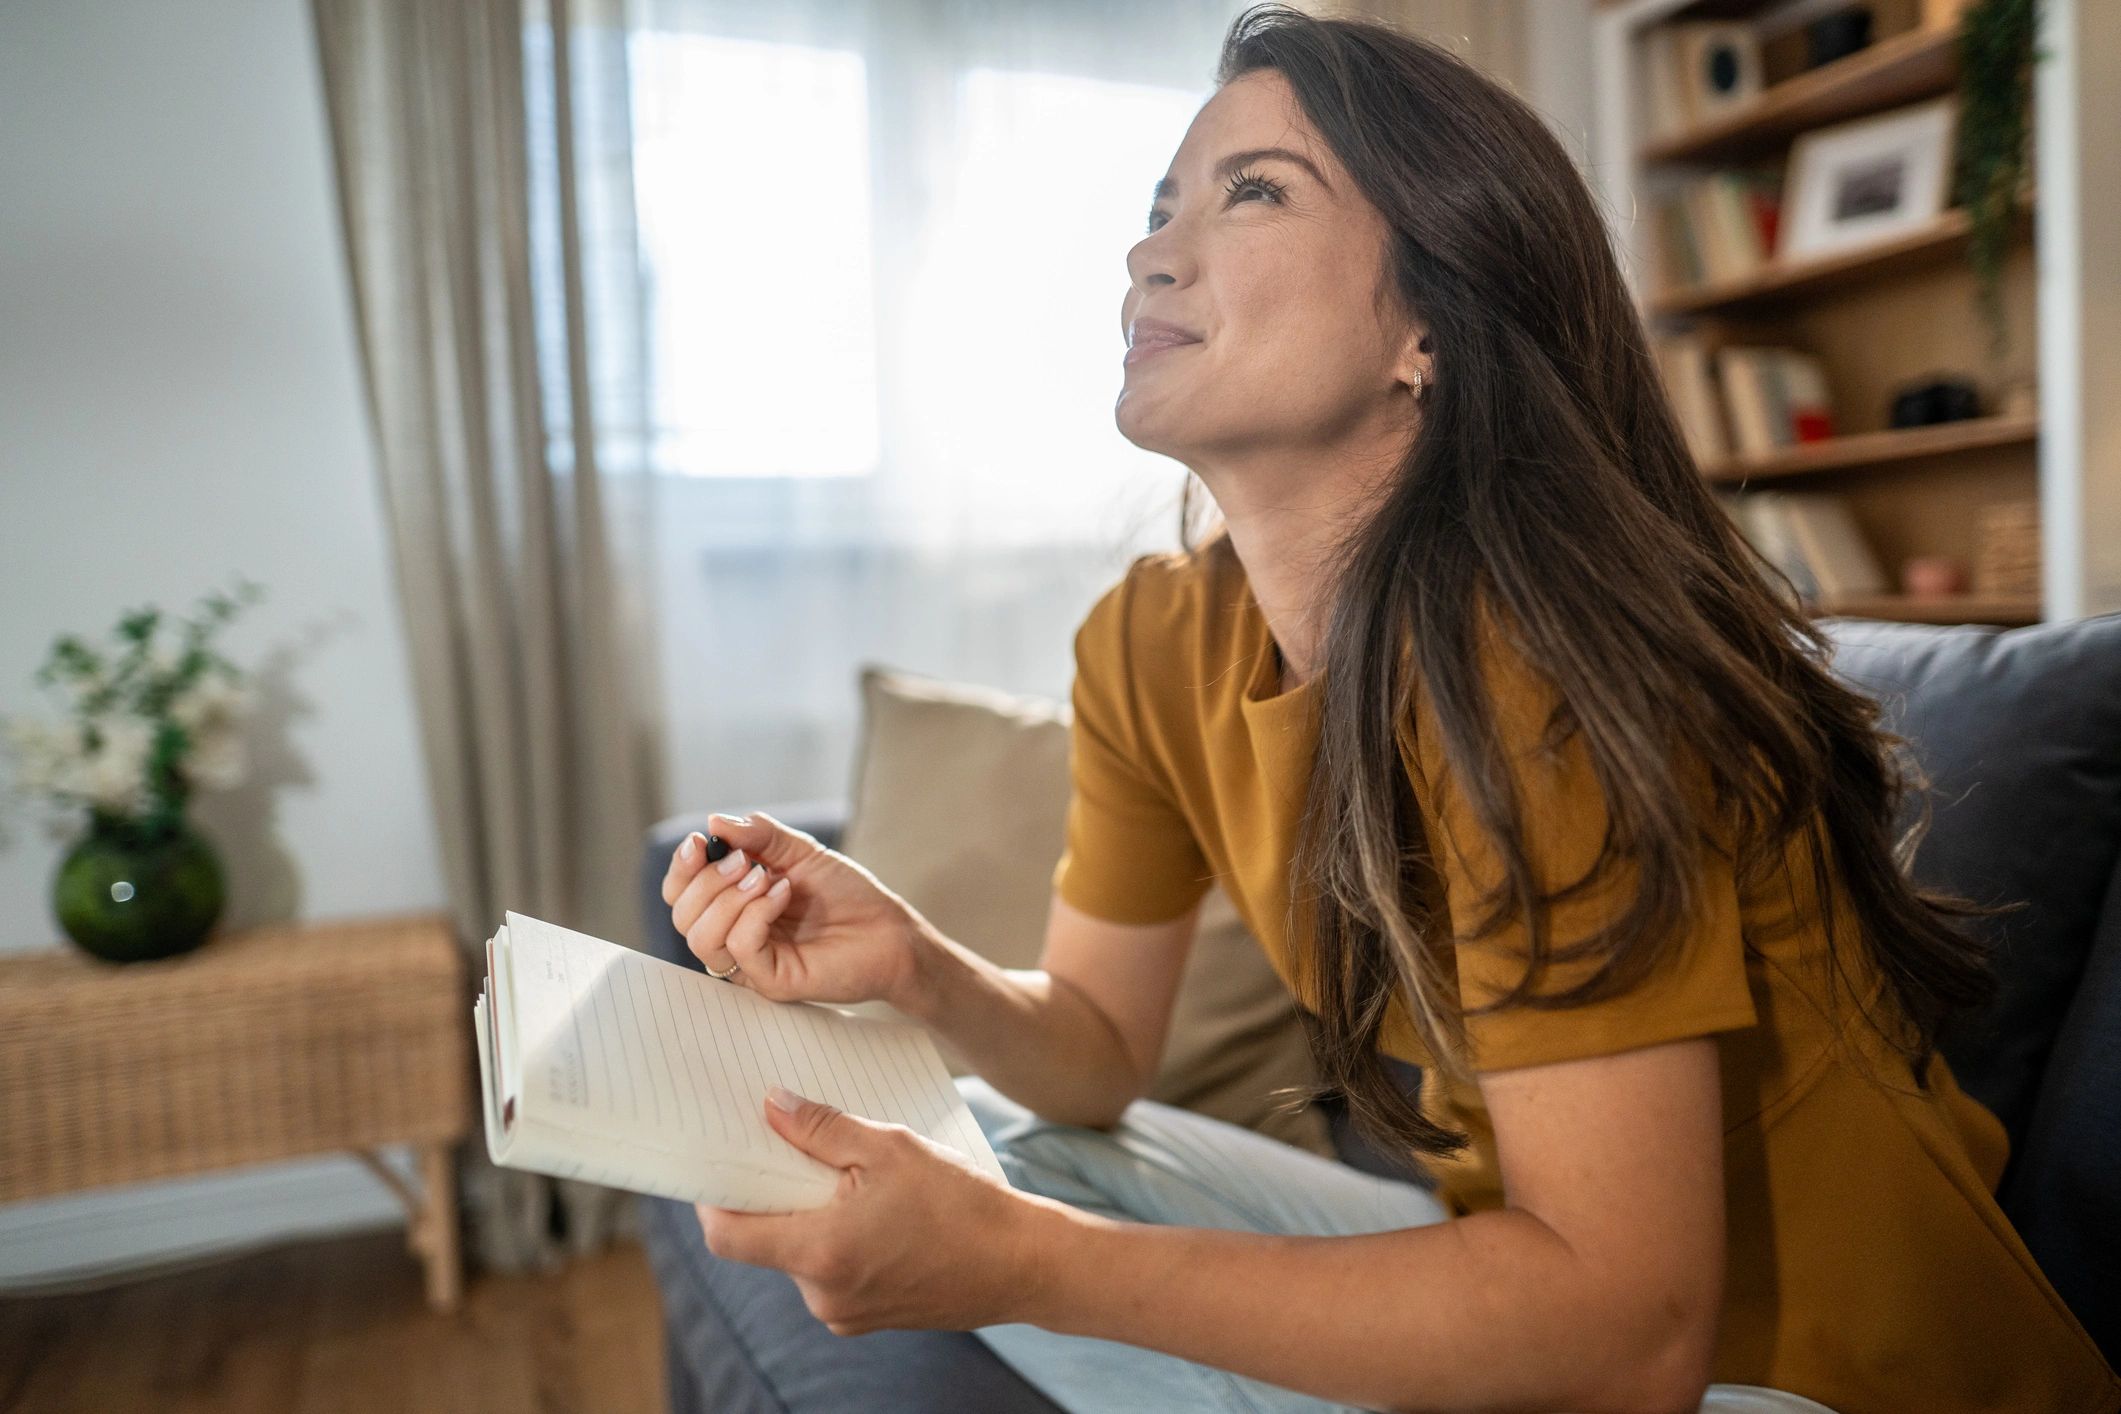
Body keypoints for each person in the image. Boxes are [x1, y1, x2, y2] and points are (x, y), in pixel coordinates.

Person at [654, 5, 2121, 1411]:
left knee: (1002, 1219)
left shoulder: (1541, 670)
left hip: (1819, 1378)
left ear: (1428, 321)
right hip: (1548, 1284)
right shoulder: (1152, 643)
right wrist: (915, 964)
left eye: (1252, 192)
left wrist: (1028, 1266)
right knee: (979, 1142)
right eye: (1161, 206)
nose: (1149, 251)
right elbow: (1097, 1049)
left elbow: (1629, 1336)